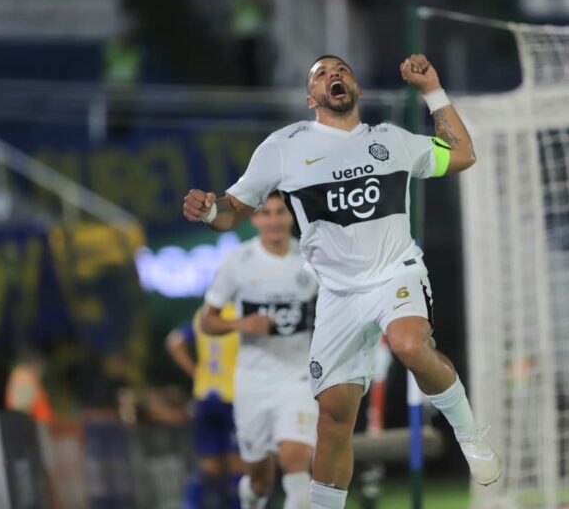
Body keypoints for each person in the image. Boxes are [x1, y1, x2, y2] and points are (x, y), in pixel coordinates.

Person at [183, 53, 502, 508]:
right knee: (333, 421)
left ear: (357, 89)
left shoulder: (390, 140)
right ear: (310, 96)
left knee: (410, 344)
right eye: (321, 74)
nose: (333, 76)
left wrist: (432, 90)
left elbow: (463, 154)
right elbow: (233, 209)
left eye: (342, 71)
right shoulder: (283, 147)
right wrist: (210, 209)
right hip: (337, 295)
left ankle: (469, 433)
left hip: (396, 273)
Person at [201, 192, 319, 509]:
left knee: (296, 463)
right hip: (253, 381)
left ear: (291, 216)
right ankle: (251, 497)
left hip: (297, 378)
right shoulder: (238, 262)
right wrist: (241, 324)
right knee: (260, 480)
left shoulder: (310, 258)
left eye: (280, 212)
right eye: (266, 213)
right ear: (254, 218)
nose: (274, 220)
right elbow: (206, 322)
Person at [167, 306, 244, 509]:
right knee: (238, 468)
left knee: (209, 468)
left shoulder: (202, 315)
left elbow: (174, 342)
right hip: (233, 398)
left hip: (204, 398)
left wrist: (197, 373)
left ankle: (189, 504)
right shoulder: (241, 314)